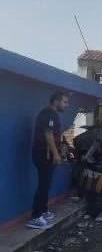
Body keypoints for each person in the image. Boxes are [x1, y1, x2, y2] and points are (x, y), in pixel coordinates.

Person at [26, 91, 69, 229]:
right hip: (44, 155)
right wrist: (56, 154)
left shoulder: (53, 114)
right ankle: (35, 216)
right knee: (44, 185)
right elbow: (48, 134)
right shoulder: (49, 113)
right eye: (65, 102)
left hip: (48, 155)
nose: (66, 105)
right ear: (56, 101)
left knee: (47, 184)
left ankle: (43, 211)